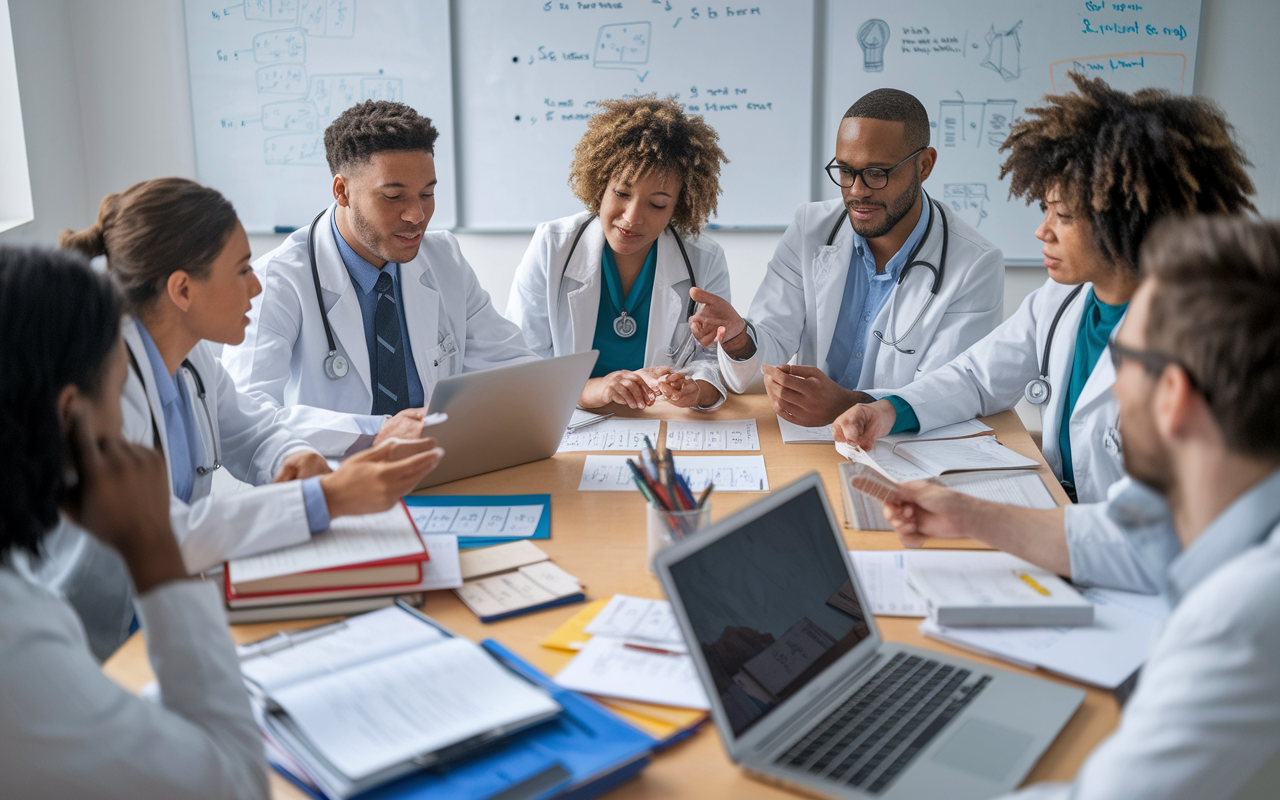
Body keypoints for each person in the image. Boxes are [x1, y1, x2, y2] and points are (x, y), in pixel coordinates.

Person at [833, 74, 1256, 506]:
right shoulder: (1062, 301)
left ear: (1126, 223)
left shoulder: (1193, 343)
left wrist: (971, 515)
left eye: (1064, 216)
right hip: (1060, 511)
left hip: (1122, 556)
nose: (1042, 231)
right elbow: (977, 376)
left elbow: (1151, 532)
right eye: (1045, 209)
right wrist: (885, 411)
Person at [979, 216, 1280, 799]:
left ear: (1172, 397)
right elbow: (1132, 536)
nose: (1111, 387)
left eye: (1125, 360)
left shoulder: (1243, 614)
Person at [60, 178, 444, 581]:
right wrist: (326, 498)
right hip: (103, 626)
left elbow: (254, 430)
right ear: (183, 290)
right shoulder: (102, 390)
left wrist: (292, 457)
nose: (257, 285)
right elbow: (158, 532)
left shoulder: (189, 358)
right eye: (242, 269)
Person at [0, 247, 267, 798]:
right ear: (69, 415)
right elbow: (237, 785)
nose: (122, 422)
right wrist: (153, 553)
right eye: (116, 391)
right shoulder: (16, 644)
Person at [222, 100, 536, 451]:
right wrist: (375, 432)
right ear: (342, 191)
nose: (416, 215)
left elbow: (515, 368)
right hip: (339, 481)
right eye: (393, 196)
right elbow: (245, 416)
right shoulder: (278, 282)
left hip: (439, 468)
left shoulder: (443, 258)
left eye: (427, 194)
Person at [686, 88, 1005, 426]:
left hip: (903, 447)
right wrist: (738, 338)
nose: (856, 191)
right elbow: (772, 340)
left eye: (877, 173)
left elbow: (950, 390)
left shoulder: (975, 264)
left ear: (924, 166)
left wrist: (854, 404)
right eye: (845, 170)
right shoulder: (810, 228)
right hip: (810, 437)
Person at [506, 95, 732, 410]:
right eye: (622, 193)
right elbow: (520, 365)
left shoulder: (704, 260)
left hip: (660, 425)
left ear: (678, 206)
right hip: (569, 426)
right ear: (600, 183)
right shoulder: (552, 246)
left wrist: (695, 389)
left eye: (657, 204)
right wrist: (593, 390)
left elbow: (716, 362)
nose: (631, 217)